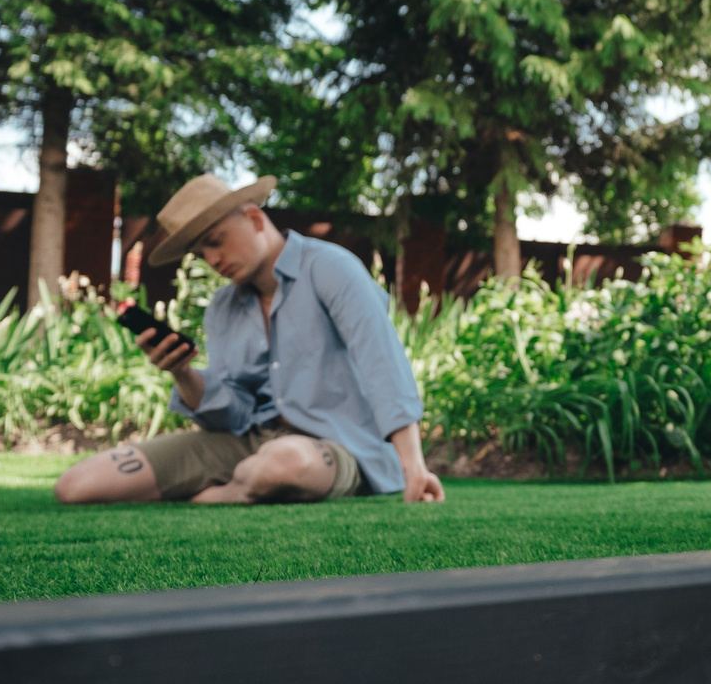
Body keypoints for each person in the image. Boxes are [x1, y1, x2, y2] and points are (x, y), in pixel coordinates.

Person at [54, 173, 445, 506]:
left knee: (282, 464)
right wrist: (182, 373)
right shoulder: (223, 307)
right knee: (77, 486)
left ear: (255, 219)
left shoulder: (331, 268)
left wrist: (413, 466)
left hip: (338, 446)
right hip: (250, 442)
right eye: (201, 252)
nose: (212, 259)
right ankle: (244, 483)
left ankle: (231, 493)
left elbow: (383, 363)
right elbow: (234, 411)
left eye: (216, 240)